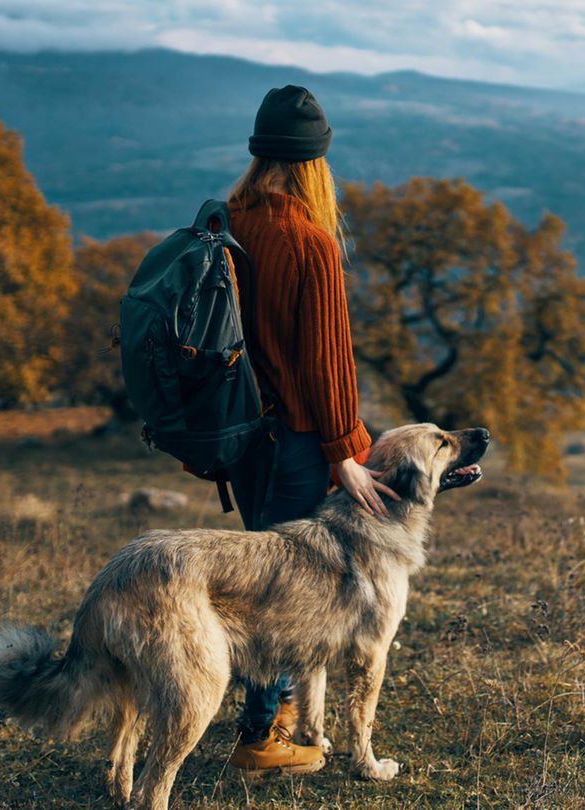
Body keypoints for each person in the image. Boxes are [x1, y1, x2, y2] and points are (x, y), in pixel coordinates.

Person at [222, 84, 398, 774]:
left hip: (240, 434)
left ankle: (278, 712)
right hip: (294, 439)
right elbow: (327, 367)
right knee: (284, 593)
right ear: (314, 162)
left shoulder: (227, 221)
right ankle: (259, 735)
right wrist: (347, 451)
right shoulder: (308, 241)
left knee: (261, 576)